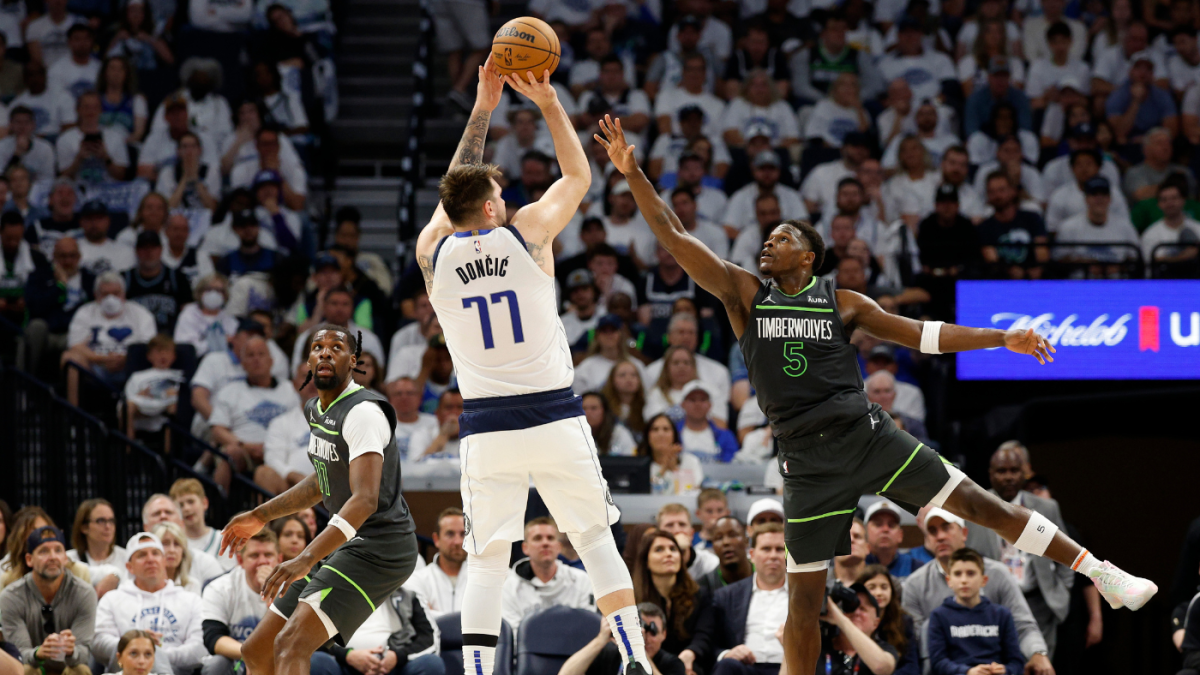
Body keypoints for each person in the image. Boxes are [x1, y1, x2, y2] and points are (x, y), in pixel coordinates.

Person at [595, 114, 1155, 675]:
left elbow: (925, 335)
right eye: (768, 237)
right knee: (804, 608)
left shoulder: (844, 302)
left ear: (809, 258)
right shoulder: (744, 293)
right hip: (806, 462)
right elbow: (674, 235)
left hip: (868, 436)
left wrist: (1001, 337)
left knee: (983, 506)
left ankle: (1100, 571)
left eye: (783, 237)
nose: (770, 241)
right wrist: (634, 172)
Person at [412, 62, 653, 675]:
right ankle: (634, 661)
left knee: (488, 557)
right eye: (499, 196)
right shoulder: (528, 235)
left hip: (486, 426)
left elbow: (452, 193)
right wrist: (547, 100)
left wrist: (483, 108)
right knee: (596, 538)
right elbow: (578, 174)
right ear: (493, 207)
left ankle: (475, 672)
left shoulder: (432, 253)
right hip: (553, 414)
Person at [219, 321, 420, 675]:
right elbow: (321, 482)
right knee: (255, 650)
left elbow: (364, 500)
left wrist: (305, 558)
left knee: (291, 643)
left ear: (353, 360)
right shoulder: (316, 409)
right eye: (317, 347)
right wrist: (260, 515)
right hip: (350, 541)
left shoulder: (364, 413)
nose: (325, 352)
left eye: (336, 347)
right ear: (307, 362)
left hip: (382, 548)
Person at [902, 509, 1051, 673]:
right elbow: (912, 642)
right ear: (927, 540)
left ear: (964, 533)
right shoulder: (914, 584)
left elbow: (1023, 624)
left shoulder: (997, 574)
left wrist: (1038, 653)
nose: (940, 536)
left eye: (946, 527)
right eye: (932, 531)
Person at [966, 445, 1073, 660]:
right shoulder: (974, 507)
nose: (1008, 477)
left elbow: (1066, 553)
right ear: (990, 474)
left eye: (1014, 470)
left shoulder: (1047, 507)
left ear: (1024, 473)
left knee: (1039, 666)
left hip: (1039, 603)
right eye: (1001, 471)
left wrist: (1061, 590)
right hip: (995, 604)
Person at [200, 529, 338, 675]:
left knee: (323, 661)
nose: (262, 561)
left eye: (268, 555)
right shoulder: (220, 588)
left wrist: (271, 603)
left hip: (281, 659)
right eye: (254, 556)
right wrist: (252, 656)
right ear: (240, 561)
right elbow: (213, 638)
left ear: (279, 559)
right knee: (216, 664)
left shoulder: (295, 587)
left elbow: (302, 638)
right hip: (237, 660)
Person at [93, 532, 207, 673]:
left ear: (164, 561)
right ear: (129, 567)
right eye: (142, 555)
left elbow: (200, 646)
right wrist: (136, 645)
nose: (150, 559)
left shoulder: (190, 600)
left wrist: (153, 654)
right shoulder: (112, 599)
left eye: (156, 553)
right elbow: (98, 643)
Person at [0, 525, 97, 675]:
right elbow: (18, 655)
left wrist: (71, 651)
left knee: (79, 670)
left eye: (58, 550)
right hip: (34, 667)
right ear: (29, 559)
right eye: (44, 551)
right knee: (27, 670)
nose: (53, 557)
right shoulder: (11, 597)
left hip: (68, 667)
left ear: (65, 558)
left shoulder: (84, 593)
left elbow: (84, 653)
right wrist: (39, 653)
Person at [208, 335, 298, 491]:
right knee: (230, 452)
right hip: (244, 451)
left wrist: (273, 448)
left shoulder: (289, 389)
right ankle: (218, 509)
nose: (256, 359)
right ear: (242, 364)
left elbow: (299, 423)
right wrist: (244, 445)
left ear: (271, 361)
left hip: (282, 450)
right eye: (250, 355)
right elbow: (217, 430)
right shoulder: (230, 391)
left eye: (261, 354)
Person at [927, 549, 1025, 675]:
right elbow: (938, 663)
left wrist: (1005, 670)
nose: (964, 580)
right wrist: (967, 672)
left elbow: (1016, 662)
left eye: (971, 573)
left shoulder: (1002, 615)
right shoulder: (939, 616)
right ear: (949, 580)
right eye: (957, 574)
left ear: (984, 580)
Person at [61, 272, 156, 402]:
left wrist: (125, 359)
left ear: (124, 294)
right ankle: (73, 415)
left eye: (116, 293)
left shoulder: (140, 314)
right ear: (96, 295)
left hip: (129, 367)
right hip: (95, 368)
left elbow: (148, 346)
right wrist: (102, 359)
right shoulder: (85, 312)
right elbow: (75, 345)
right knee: (69, 357)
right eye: (105, 294)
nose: (111, 298)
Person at [631, 529, 714, 675]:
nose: (668, 554)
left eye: (673, 549)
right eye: (659, 549)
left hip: (689, 663)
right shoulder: (633, 599)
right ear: (646, 561)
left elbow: (704, 634)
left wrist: (690, 653)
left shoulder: (699, 594)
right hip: (645, 663)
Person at [709, 523, 789, 675]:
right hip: (745, 668)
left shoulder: (804, 596)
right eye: (766, 549)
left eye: (779, 549)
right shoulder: (727, 596)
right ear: (752, 555)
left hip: (789, 666)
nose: (773, 556)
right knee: (726, 665)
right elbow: (711, 644)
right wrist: (726, 653)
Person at [501, 517, 595, 631]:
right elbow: (514, 636)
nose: (545, 543)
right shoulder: (509, 587)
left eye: (550, 538)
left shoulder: (582, 581)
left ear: (559, 547)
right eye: (537, 538)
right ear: (525, 548)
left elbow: (587, 628)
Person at [560, 602, 687, 675]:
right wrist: (601, 639)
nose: (646, 638)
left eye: (652, 632)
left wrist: (637, 649)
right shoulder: (609, 654)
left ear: (664, 634)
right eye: (641, 629)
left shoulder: (673, 664)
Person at [817, 582, 898, 675]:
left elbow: (882, 668)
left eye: (863, 609)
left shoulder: (884, 649)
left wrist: (842, 620)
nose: (856, 612)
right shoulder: (819, 646)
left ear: (876, 623)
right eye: (850, 607)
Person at [403, 507, 467, 619]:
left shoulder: (483, 579)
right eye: (450, 534)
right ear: (436, 539)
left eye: (463, 534)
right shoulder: (418, 579)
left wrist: (434, 615)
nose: (458, 542)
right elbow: (420, 621)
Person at [856, 565, 919, 675]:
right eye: (872, 587)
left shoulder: (904, 621)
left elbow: (911, 665)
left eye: (884, 587)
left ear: (892, 591)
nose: (879, 593)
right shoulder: (853, 620)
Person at [68, 499, 127, 586]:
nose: (108, 526)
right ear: (84, 527)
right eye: (101, 521)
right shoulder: (69, 559)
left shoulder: (127, 558)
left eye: (111, 521)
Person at [169, 479, 227, 568]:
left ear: (204, 503)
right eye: (181, 505)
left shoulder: (222, 540)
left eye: (191, 502)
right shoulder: (173, 543)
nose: (186, 508)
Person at [1141, 182, 1200, 264]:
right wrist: (1186, 256)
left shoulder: (1198, 228)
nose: (1169, 203)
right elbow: (1154, 263)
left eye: (1174, 198)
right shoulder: (1150, 234)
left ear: (1183, 200)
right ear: (1159, 204)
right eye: (1164, 200)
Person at [863, 501, 924, 579]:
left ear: (900, 535)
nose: (885, 529)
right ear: (865, 532)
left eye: (891, 525)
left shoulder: (915, 567)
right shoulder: (855, 565)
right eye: (878, 524)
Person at [406, 389, 463, 459]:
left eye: (460, 407)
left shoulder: (477, 437)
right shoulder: (422, 435)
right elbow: (415, 467)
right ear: (437, 414)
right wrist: (443, 435)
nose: (454, 412)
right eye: (449, 407)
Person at [152, 522, 201, 594]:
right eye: (165, 543)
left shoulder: (191, 585)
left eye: (177, 544)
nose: (172, 550)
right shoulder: (143, 585)